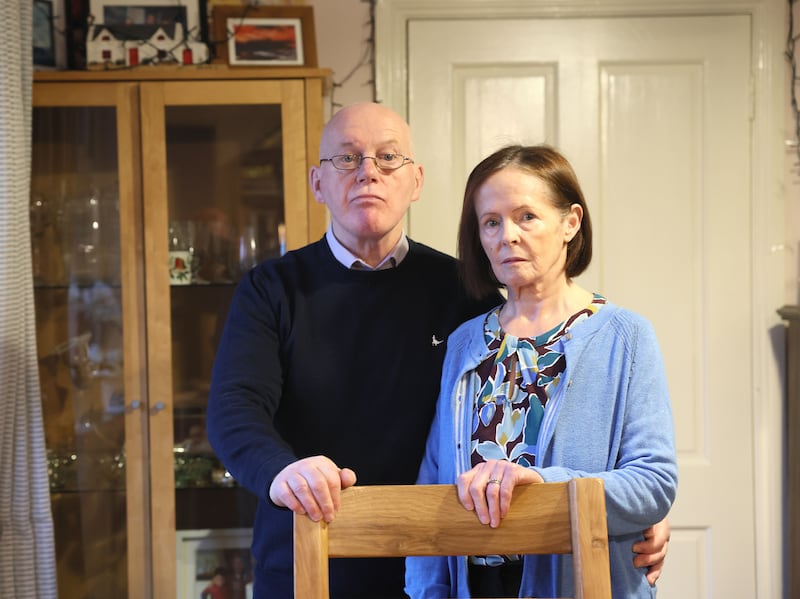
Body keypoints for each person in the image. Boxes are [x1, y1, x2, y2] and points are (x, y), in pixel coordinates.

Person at [206, 103, 671, 599]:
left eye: (388, 158)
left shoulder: (463, 293)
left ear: (416, 181)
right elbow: (234, 412)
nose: (368, 172)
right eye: (346, 158)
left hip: (436, 560)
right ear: (318, 182)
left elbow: (574, 437)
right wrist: (282, 471)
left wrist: (634, 515)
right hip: (310, 553)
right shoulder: (271, 288)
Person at [404, 144, 678, 598]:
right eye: (491, 222)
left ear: (571, 222)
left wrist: (547, 487)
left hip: (583, 583)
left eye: (526, 216)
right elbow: (434, 482)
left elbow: (654, 484)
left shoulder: (626, 337)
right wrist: (426, 590)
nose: (506, 235)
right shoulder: (464, 343)